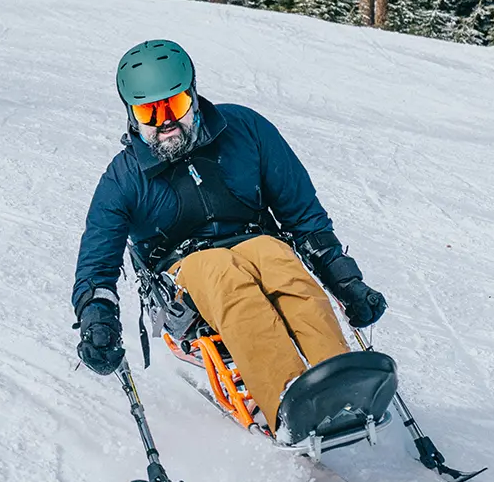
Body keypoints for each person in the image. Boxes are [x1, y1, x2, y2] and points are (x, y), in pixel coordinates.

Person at [70, 40, 388, 438]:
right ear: (131, 115)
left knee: (281, 264)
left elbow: (302, 212)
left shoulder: (246, 130)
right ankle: (288, 403)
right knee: (221, 272)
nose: (166, 122)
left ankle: (341, 387)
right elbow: (96, 263)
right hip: (182, 274)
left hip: (255, 243)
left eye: (176, 106)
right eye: (150, 112)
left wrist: (346, 281)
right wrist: (97, 319)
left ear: (194, 96)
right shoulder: (124, 177)